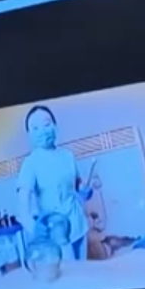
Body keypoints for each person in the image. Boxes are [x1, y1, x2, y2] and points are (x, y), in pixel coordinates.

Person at [17, 105, 88, 261]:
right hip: (57, 230)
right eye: (35, 128)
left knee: (84, 270)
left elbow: (77, 183)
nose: (43, 131)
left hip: (79, 224)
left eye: (47, 124)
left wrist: (84, 190)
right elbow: (23, 210)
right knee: (70, 272)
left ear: (55, 126)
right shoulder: (30, 163)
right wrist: (34, 228)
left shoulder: (68, 156)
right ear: (29, 134)